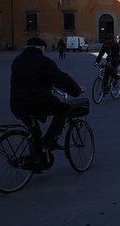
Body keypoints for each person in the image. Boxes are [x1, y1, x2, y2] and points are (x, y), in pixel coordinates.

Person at [10, 37, 85, 166]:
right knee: (64, 109)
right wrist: (77, 90)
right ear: (41, 48)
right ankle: (50, 140)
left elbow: (32, 78)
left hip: (16, 104)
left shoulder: (18, 60)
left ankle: (38, 160)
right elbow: (61, 79)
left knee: (35, 133)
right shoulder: (42, 61)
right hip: (35, 102)